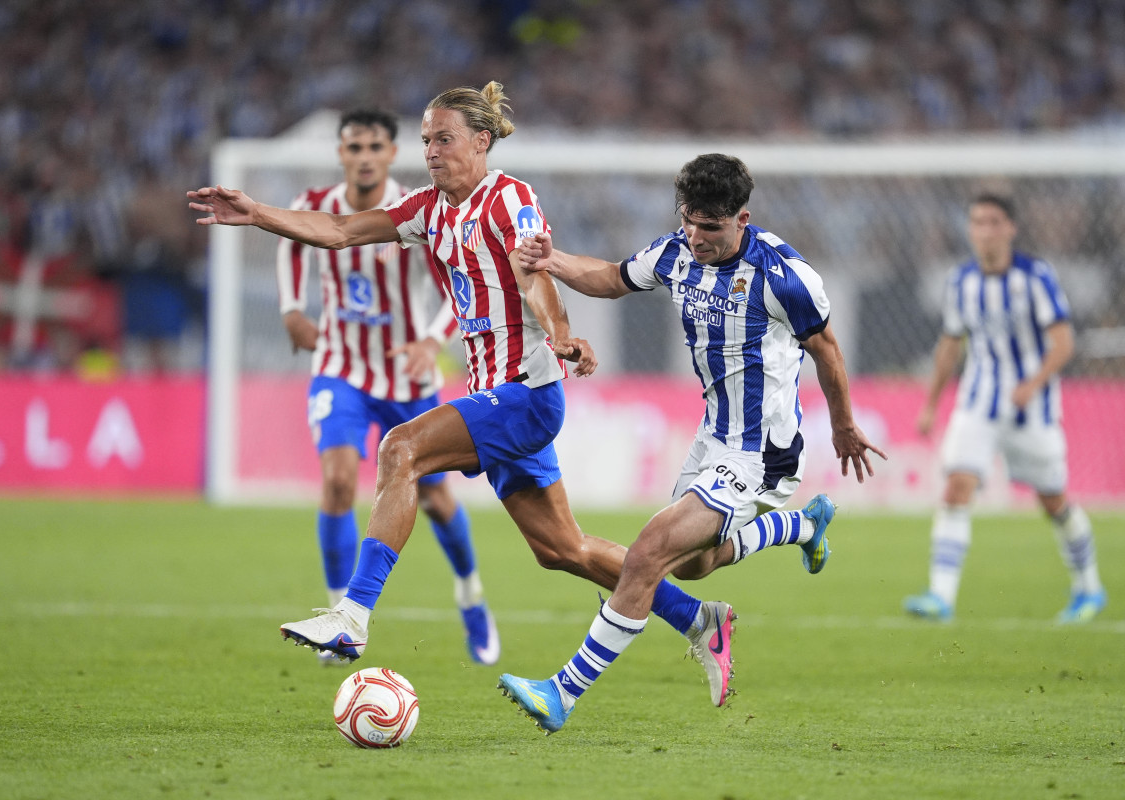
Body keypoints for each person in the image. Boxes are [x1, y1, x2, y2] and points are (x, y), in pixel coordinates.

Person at [189, 83, 732, 693]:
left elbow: (534, 273)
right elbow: (340, 229)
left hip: (525, 395)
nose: (431, 151)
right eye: (426, 141)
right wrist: (257, 214)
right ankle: (700, 619)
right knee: (563, 550)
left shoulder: (509, 199)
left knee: (401, 448)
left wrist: (561, 333)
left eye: (443, 139)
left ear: (481, 141)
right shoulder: (428, 210)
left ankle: (353, 614)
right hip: (498, 396)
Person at [496, 153, 888, 734]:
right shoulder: (675, 253)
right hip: (712, 438)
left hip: (760, 452)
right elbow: (612, 279)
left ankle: (562, 692)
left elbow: (826, 350)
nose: (697, 237)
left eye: (711, 226)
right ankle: (803, 527)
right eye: (689, 221)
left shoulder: (784, 276)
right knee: (694, 566)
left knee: (648, 552)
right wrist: (552, 259)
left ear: (741, 219)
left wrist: (843, 425)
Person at [275, 108, 498, 665]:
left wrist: (431, 341)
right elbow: (291, 244)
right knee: (337, 483)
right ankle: (338, 618)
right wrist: (292, 308)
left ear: (393, 153)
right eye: (354, 147)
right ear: (341, 153)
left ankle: (471, 594)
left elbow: (460, 280)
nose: (365, 157)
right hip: (341, 367)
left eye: (375, 146)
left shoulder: (417, 207)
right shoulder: (315, 204)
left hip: (406, 373)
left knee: (437, 498)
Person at [904, 193, 1106, 624]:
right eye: (978, 222)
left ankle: (1089, 588)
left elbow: (1063, 342)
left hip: (1032, 410)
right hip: (977, 404)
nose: (985, 231)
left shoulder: (1035, 277)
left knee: (1053, 500)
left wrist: (1032, 384)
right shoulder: (961, 281)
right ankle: (940, 596)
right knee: (957, 485)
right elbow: (950, 345)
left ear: (1010, 228)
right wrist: (931, 404)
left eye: (994, 222)